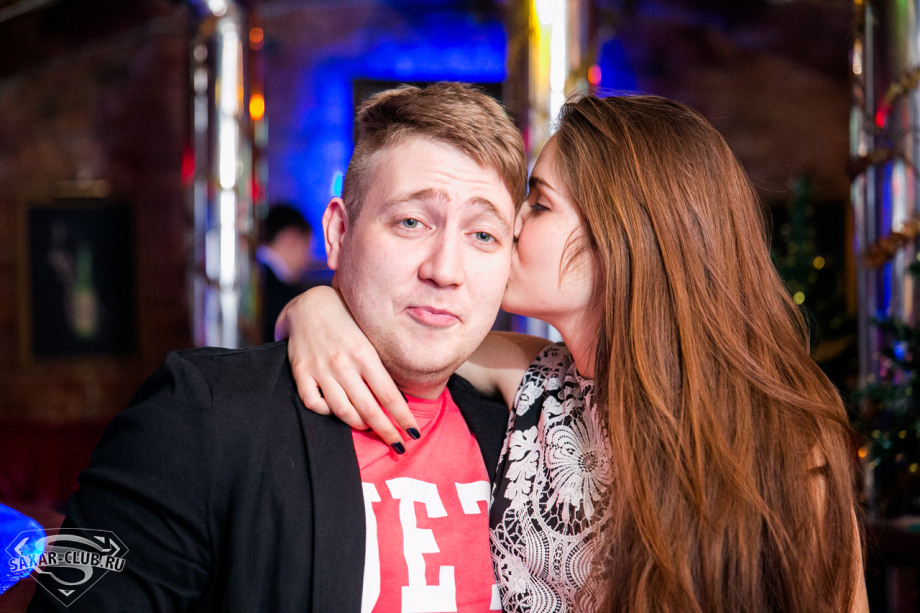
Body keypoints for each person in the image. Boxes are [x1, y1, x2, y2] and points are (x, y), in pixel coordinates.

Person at [278, 94, 869, 612]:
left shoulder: (784, 444)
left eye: (538, 204)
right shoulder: (536, 381)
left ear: (621, 237)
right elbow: (404, 332)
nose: (509, 225)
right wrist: (313, 308)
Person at [27, 82, 527, 612]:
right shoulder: (201, 414)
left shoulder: (522, 432)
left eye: (483, 235)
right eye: (411, 222)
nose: (445, 270)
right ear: (337, 233)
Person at [256, 203, 319, 343]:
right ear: (290, 238)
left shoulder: (250, 268)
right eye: (307, 249)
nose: (308, 260)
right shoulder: (283, 295)